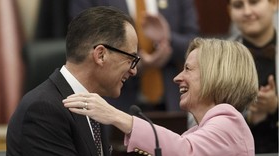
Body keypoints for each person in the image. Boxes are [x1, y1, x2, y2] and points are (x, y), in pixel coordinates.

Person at [63, 37, 259, 156]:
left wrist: (115, 116)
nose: (177, 77)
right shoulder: (193, 135)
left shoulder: (230, 121)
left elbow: (185, 149)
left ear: (215, 74)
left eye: (188, 69)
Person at [2, 6, 140, 156]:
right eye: (131, 58)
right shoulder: (43, 110)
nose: (134, 70)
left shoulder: (93, 106)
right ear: (100, 55)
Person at [69, 0, 200, 112]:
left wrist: (168, 38)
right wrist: (135, 62)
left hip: (169, 103)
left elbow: (195, 44)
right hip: (115, 103)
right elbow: (84, 40)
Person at [227, 0, 278, 153]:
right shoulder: (213, 58)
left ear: (274, 3)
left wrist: (275, 107)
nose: (247, 12)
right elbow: (197, 124)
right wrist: (249, 117)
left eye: (254, 2)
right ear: (229, 11)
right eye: (238, 6)